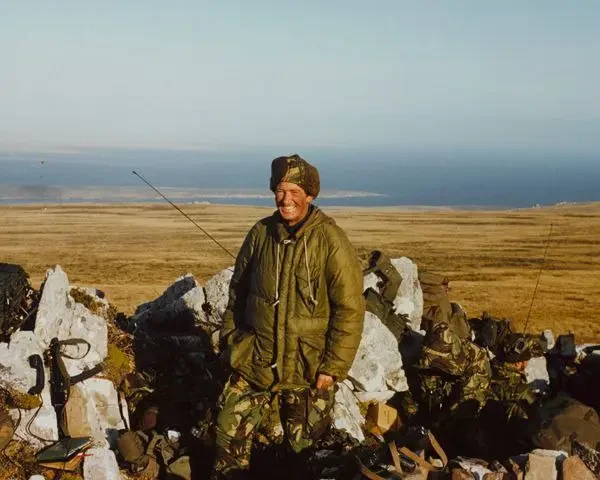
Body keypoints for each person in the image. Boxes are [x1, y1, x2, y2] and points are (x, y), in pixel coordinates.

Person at [211, 154, 365, 479]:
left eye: (294, 191)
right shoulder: (260, 234)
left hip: (307, 370)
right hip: (254, 362)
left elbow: (350, 310)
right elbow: (237, 293)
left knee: (305, 458)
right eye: (280, 190)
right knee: (227, 440)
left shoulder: (331, 241)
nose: (286, 199)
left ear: (310, 194)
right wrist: (231, 341)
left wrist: (332, 368)